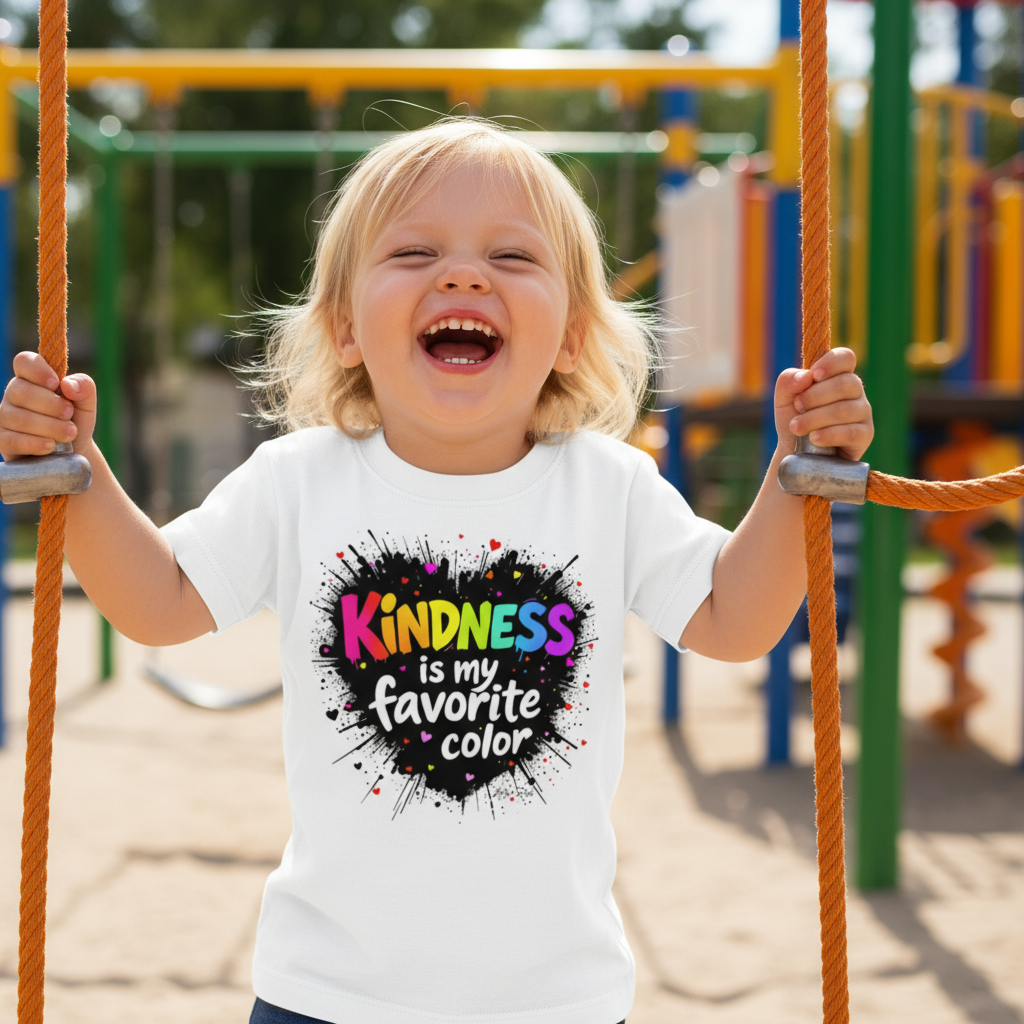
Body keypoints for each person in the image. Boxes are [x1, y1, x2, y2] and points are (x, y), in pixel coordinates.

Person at [0, 119, 873, 1024]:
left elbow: (735, 620)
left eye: (512, 255)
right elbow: (159, 601)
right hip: (327, 992)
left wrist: (791, 475)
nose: (463, 274)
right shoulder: (298, 481)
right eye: (414, 251)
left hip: (557, 998)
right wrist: (79, 466)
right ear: (343, 327)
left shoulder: (607, 488)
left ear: (572, 335)